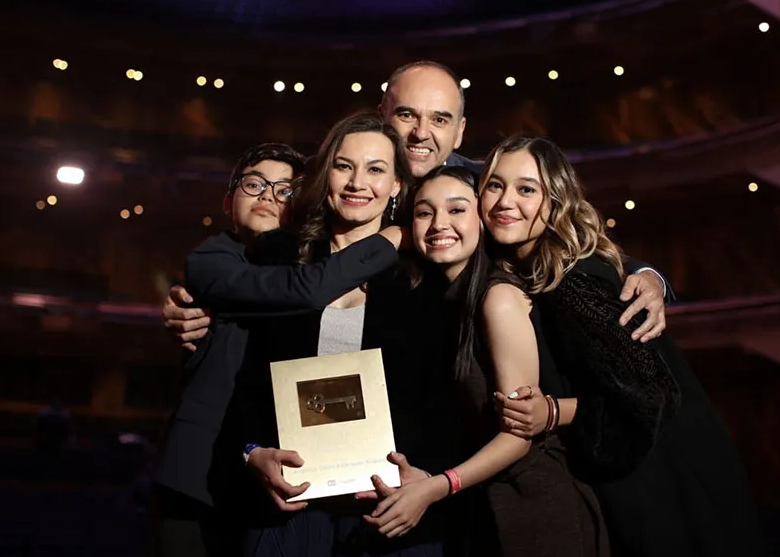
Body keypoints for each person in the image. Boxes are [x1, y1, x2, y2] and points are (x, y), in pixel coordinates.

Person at [162, 60, 670, 351]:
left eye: (440, 119)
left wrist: (646, 274)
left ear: (460, 130)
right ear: (382, 114)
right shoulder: (334, 181)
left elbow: (563, 232)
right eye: (407, 114)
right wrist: (200, 301)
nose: (421, 133)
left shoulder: (484, 190)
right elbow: (255, 238)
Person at [483, 136, 772, 557]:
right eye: (494, 186)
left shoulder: (575, 285)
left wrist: (554, 411)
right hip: (648, 480)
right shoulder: (546, 270)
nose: (506, 201)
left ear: (555, 201)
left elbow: (648, 395)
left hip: (664, 489)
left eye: (526, 189)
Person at [151, 143, 408, 557]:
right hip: (197, 477)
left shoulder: (306, 260)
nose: (268, 196)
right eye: (254, 184)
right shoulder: (212, 259)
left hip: (264, 482)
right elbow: (303, 289)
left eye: (286, 190)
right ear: (228, 200)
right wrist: (391, 237)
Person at [211, 113, 447, 557]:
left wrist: (430, 475)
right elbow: (238, 376)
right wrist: (251, 451)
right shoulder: (276, 257)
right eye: (344, 166)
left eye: (376, 169)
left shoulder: (425, 275)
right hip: (289, 500)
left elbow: (444, 395)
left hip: (390, 504)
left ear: (398, 183)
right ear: (325, 176)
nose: (359, 182)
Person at [361, 166, 613, 557]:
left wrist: (434, 487)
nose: (439, 224)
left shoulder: (497, 297)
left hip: (537, 510)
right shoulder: (445, 300)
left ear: (482, 219)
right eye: (424, 213)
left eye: (457, 210)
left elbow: (518, 435)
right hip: (488, 508)